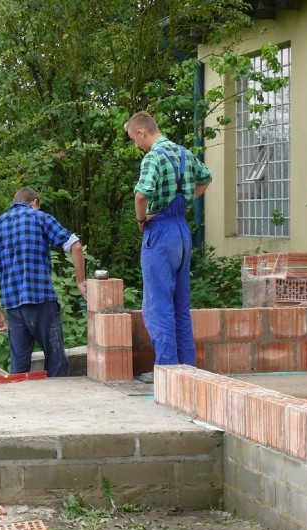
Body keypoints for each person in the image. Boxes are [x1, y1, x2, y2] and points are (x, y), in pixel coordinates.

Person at [124, 111, 212, 375]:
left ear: (142, 132)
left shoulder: (154, 156)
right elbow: (206, 177)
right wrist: (186, 202)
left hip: (160, 231)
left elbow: (142, 195)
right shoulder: (183, 153)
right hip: (182, 232)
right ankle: (186, 369)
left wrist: (142, 219)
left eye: (133, 139)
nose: (135, 145)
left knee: (158, 305)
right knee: (180, 305)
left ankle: (166, 370)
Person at [0, 187, 88, 377]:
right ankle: (58, 404)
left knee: (19, 368)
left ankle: (20, 404)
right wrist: (80, 281)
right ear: (35, 202)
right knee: (56, 362)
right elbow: (76, 246)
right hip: (41, 301)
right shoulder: (40, 218)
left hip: (13, 307)